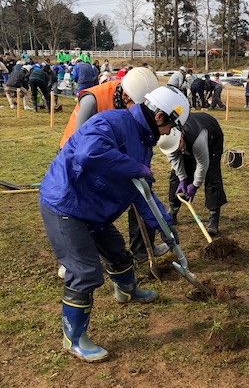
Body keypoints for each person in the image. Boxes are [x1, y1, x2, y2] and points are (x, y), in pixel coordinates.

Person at [39, 86, 190, 362]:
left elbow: (141, 192)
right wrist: (134, 168)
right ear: (158, 117)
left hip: (93, 209)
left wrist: (167, 231)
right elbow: (89, 153)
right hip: (66, 203)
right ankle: (74, 338)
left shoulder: (143, 145)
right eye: (170, 125)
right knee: (84, 271)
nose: (169, 133)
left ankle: (128, 292)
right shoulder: (111, 122)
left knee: (118, 253)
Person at [59, 67, 168, 263]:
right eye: (136, 104)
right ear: (125, 95)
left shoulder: (134, 107)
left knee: (141, 190)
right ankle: (74, 260)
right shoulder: (94, 99)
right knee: (82, 210)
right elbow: (82, 145)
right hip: (79, 159)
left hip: (115, 156)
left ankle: (143, 249)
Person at [158, 113, 227, 236]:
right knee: (176, 175)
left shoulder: (198, 140)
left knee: (212, 176)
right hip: (189, 138)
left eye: (176, 148)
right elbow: (175, 160)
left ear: (180, 140)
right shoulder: (166, 138)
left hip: (211, 137)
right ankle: (173, 210)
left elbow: (202, 164)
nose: (174, 152)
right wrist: (183, 179)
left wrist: (195, 185)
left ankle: (213, 216)